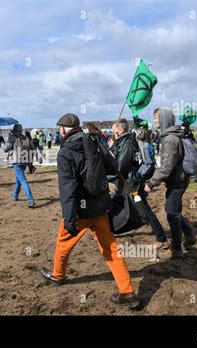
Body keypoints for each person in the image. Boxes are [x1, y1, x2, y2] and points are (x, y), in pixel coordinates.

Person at [39, 113, 141, 310]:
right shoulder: (93, 141)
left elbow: (66, 188)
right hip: (101, 207)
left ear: (62, 130)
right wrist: (104, 148)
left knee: (63, 244)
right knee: (111, 249)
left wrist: (69, 218)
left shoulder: (65, 151)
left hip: (80, 211)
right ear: (77, 127)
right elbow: (113, 168)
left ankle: (58, 276)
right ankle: (127, 292)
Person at [144, 108, 197, 259]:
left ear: (164, 119)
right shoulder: (170, 136)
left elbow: (167, 167)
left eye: (156, 118)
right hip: (177, 180)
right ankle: (190, 236)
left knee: (172, 213)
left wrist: (151, 183)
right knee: (174, 211)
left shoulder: (170, 139)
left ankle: (176, 248)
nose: (155, 121)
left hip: (177, 181)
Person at [110, 119, 169, 250]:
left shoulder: (127, 145)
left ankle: (162, 239)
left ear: (120, 132)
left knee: (145, 211)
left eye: (114, 132)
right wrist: (113, 146)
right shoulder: (124, 142)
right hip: (125, 184)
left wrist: (106, 176)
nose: (112, 134)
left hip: (131, 185)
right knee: (113, 205)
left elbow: (120, 167)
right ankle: (107, 231)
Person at [3, 123, 36, 207]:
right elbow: (33, 148)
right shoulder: (25, 138)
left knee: (22, 180)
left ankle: (30, 200)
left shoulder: (13, 138)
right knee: (19, 179)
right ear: (21, 130)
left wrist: (4, 142)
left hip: (16, 161)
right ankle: (15, 195)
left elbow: (5, 149)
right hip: (25, 161)